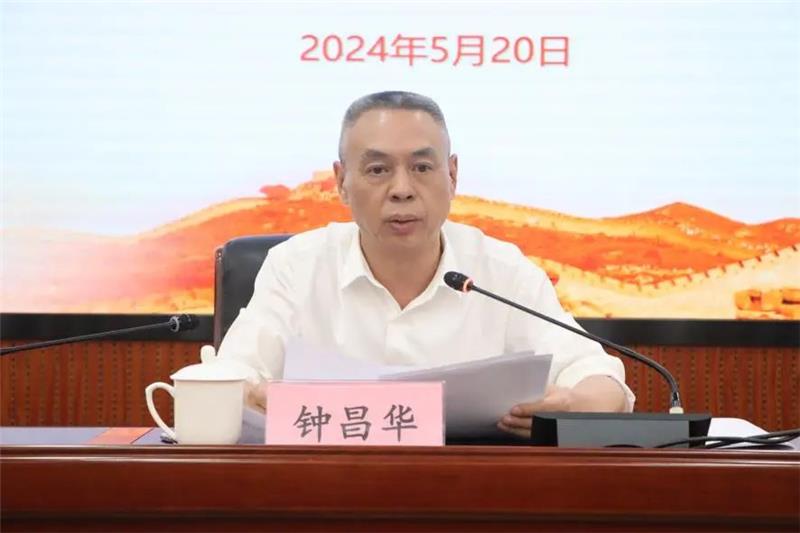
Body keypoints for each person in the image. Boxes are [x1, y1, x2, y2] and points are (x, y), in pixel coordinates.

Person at [218, 90, 634, 438]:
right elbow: (231, 374)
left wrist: (574, 404)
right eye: (378, 170)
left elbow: (601, 380)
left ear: (452, 175)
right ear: (341, 181)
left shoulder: (501, 271)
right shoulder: (297, 266)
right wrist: (250, 395)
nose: (402, 189)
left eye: (421, 168)